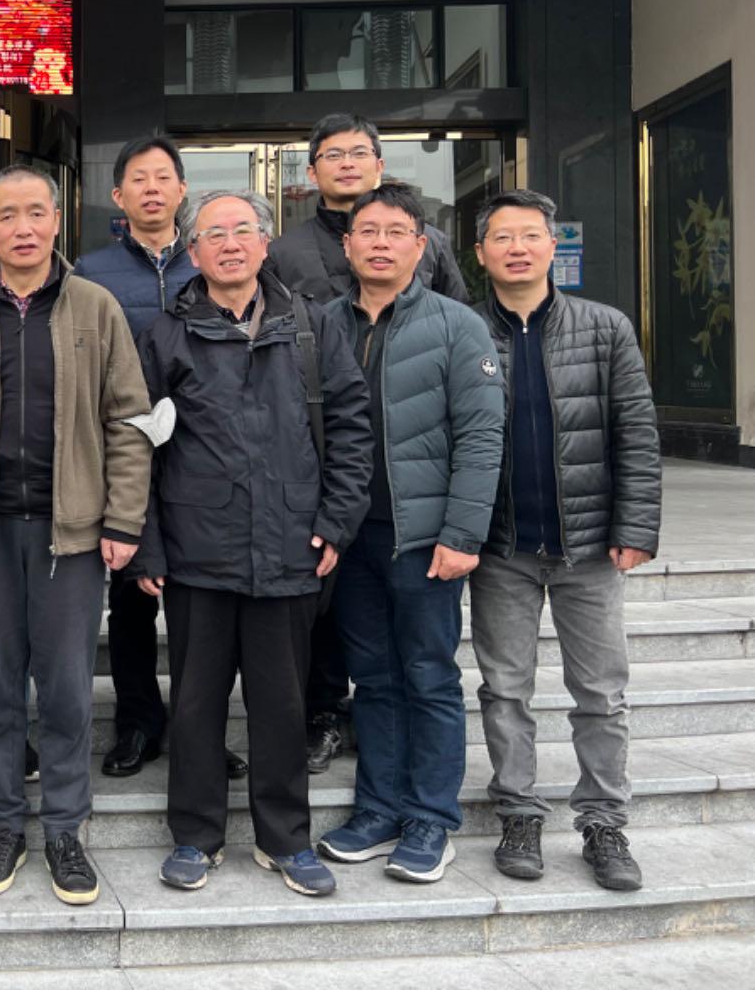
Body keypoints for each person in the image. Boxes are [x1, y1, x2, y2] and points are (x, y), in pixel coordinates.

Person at [133, 189, 371, 897]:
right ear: (193, 251)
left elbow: (351, 428)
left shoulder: (311, 326)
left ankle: (284, 839)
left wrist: (337, 520)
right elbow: (137, 449)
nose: (230, 244)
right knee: (196, 705)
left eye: (243, 230)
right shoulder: (165, 336)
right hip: (196, 551)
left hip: (291, 543)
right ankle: (196, 837)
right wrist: (147, 545)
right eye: (214, 234)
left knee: (282, 706)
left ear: (265, 243)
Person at [0, 166, 152, 907]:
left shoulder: (96, 306)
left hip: (73, 536)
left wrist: (123, 519)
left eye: (35, 213)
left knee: (64, 691)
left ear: (57, 221)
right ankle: (3, 825)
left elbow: (129, 421)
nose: (22, 227)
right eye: (7, 215)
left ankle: (63, 827)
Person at [265, 114, 470, 775]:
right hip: (323, 461)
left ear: (380, 164)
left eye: (359, 152)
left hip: (414, 469)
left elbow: (462, 329)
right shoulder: (286, 251)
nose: (347, 163)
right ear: (311, 171)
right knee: (329, 609)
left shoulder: (430, 244)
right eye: (333, 154)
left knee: (414, 646)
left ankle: (409, 759)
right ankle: (325, 714)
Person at [470, 189, 661, 891]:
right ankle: (519, 811)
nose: (517, 248)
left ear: (554, 246)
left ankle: (604, 822)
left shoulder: (605, 327)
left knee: (601, 693)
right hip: (502, 548)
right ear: (481, 252)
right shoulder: (463, 329)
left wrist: (635, 527)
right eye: (502, 237)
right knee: (504, 690)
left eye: (530, 235)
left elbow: (636, 433)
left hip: (589, 548)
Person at [315, 184, 504, 885]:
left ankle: (430, 817)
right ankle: (377, 809)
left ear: (421, 246)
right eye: (368, 231)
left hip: (424, 538)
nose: (381, 243)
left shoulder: (457, 325)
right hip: (352, 537)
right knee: (373, 679)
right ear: (347, 245)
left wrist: (463, 533)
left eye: (396, 231)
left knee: (428, 676)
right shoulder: (323, 323)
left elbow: (481, 435)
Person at [74, 134, 234, 784]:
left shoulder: (212, 262)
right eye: (137, 179)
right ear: (118, 195)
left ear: (181, 189)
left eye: (163, 177)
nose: (151, 188)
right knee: (131, 599)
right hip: (124, 450)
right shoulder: (90, 272)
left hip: (206, 455)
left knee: (202, 605)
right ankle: (138, 721)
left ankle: (201, 731)